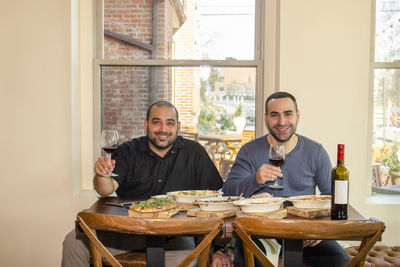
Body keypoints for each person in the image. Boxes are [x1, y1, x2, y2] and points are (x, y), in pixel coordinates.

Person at [62, 101, 231, 267]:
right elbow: (105, 189)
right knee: (73, 242)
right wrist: (101, 175)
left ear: (177, 126)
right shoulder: (128, 150)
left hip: (177, 236)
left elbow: (214, 203)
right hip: (126, 233)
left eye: (169, 123)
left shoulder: (195, 152)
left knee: (190, 258)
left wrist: (219, 248)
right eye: (156, 122)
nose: (163, 129)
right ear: (146, 124)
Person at [222, 92, 350, 267]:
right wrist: (255, 179)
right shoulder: (249, 151)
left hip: (304, 234)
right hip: (258, 233)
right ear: (266, 118)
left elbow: (332, 196)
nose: (282, 122)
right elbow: (228, 192)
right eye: (274, 115)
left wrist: (321, 231)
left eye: (288, 114)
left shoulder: (316, 152)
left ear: (297, 115)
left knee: (342, 262)